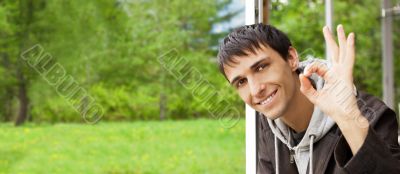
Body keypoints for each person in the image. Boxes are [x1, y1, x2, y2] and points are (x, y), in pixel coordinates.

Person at [217, 23, 400, 174]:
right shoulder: (267, 125)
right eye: (241, 82)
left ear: (291, 58)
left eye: (261, 67)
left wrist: (348, 117)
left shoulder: (371, 115)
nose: (256, 89)